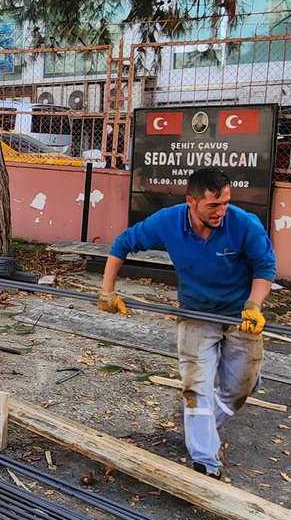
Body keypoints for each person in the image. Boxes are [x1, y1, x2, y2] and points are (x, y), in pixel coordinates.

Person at [97, 168, 275, 479]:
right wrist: (107, 291)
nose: (222, 211)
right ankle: (205, 461)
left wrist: (254, 306)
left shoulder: (244, 224)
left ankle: (204, 424)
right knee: (196, 387)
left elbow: (265, 267)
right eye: (213, 206)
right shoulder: (168, 221)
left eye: (226, 203)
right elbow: (122, 244)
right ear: (191, 201)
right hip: (195, 313)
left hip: (239, 316)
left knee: (238, 389)